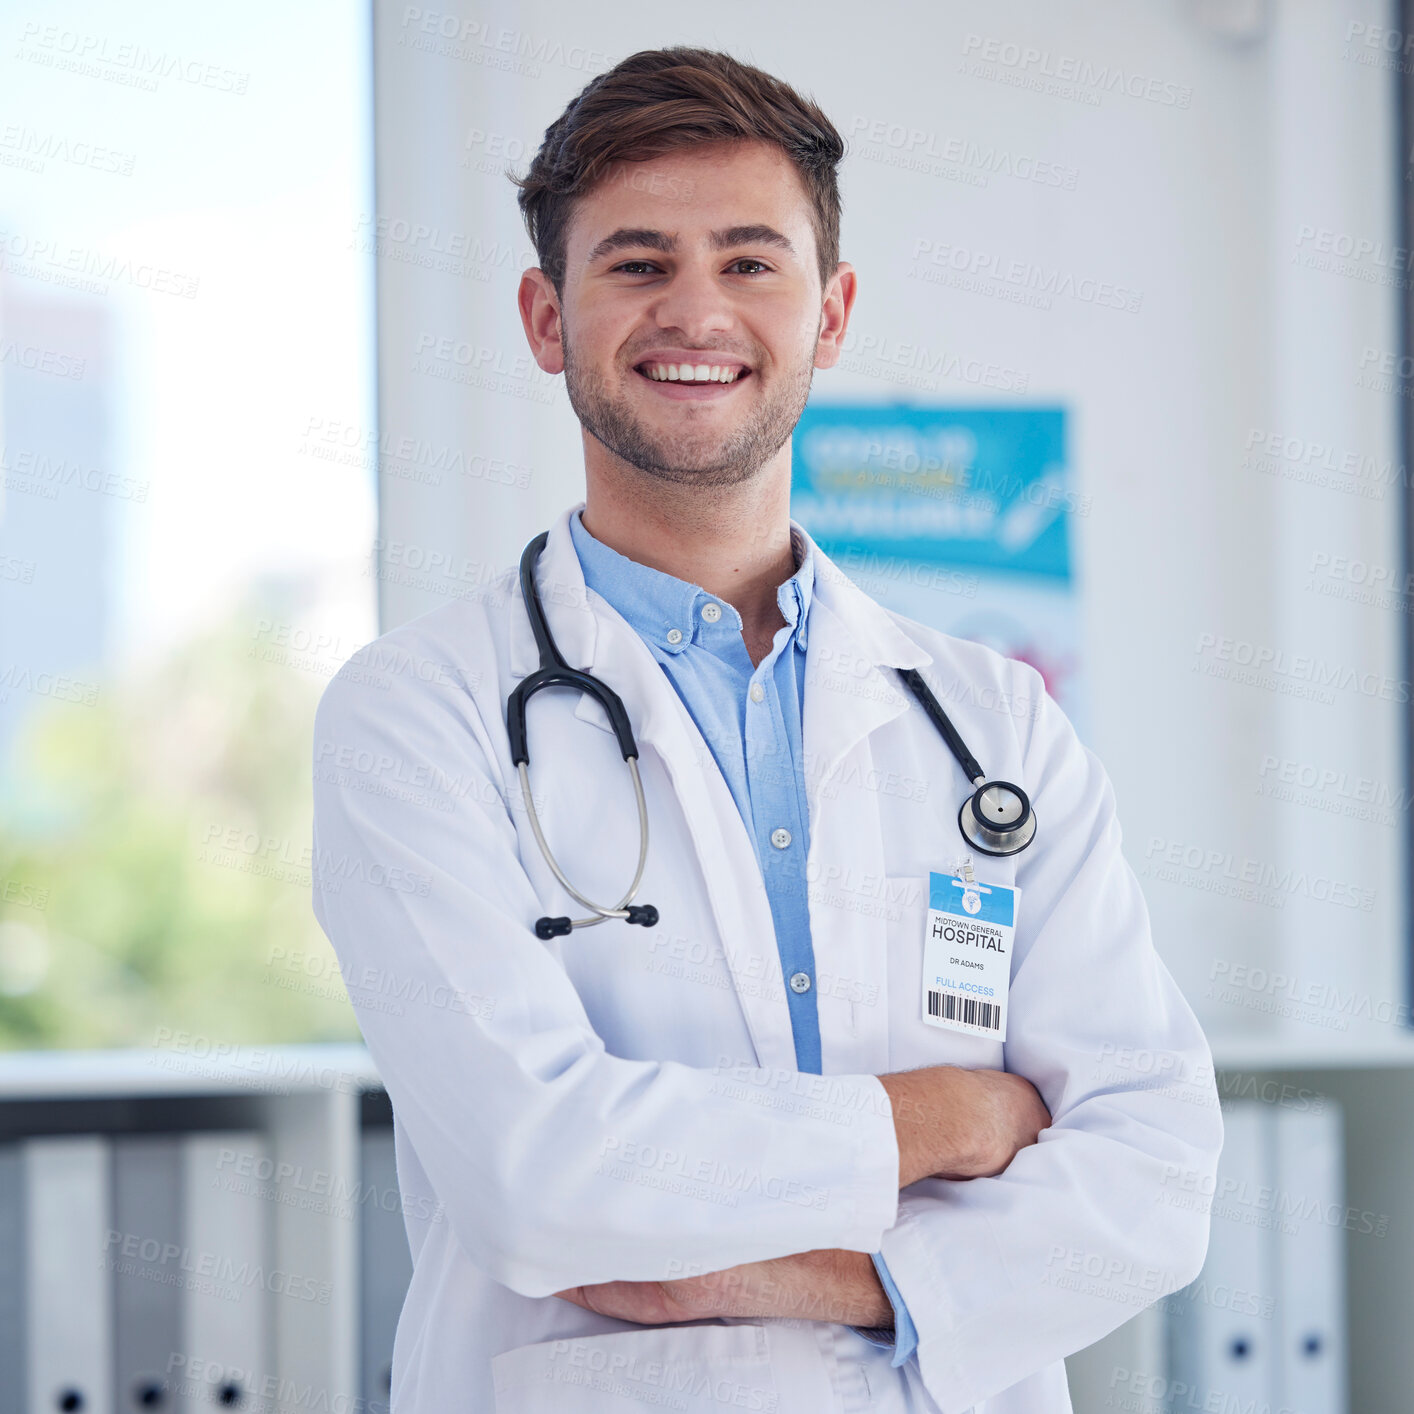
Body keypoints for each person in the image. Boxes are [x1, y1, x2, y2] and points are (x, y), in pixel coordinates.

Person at [311, 45, 1223, 1414]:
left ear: (831, 311)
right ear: (544, 317)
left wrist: (825, 1278)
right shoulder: (418, 712)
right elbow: (534, 1175)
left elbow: (1152, 1172)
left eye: (750, 261)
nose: (695, 310)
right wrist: (950, 1119)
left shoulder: (989, 720)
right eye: (634, 263)